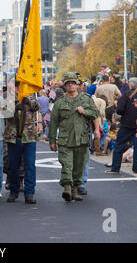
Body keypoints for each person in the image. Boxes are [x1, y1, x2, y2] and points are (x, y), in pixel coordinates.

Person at [49, 72, 100, 202]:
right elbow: (53, 122)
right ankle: (67, 188)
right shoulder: (59, 103)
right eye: (68, 83)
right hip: (65, 140)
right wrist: (52, 141)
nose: (71, 85)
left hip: (82, 140)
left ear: (78, 85)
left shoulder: (86, 100)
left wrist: (85, 111)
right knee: (67, 165)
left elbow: (95, 113)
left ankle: (75, 190)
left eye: (73, 83)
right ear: (65, 86)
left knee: (79, 166)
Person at [5, 80, 41, 204]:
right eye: (16, 87)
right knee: (13, 166)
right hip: (13, 137)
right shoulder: (7, 98)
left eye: (20, 87)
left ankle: (29, 193)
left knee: (30, 166)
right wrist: (15, 106)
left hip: (29, 137)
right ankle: (13, 191)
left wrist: (28, 102)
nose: (18, 89)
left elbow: (37, 107)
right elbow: (3, 112)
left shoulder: (29, 96)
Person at [105, 78, 137, 174]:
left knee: (119, 145)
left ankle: (115, 168)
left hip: (127, 124)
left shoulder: (127, 94)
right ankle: (136, 168)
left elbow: (120, 109)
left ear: (131, 85)